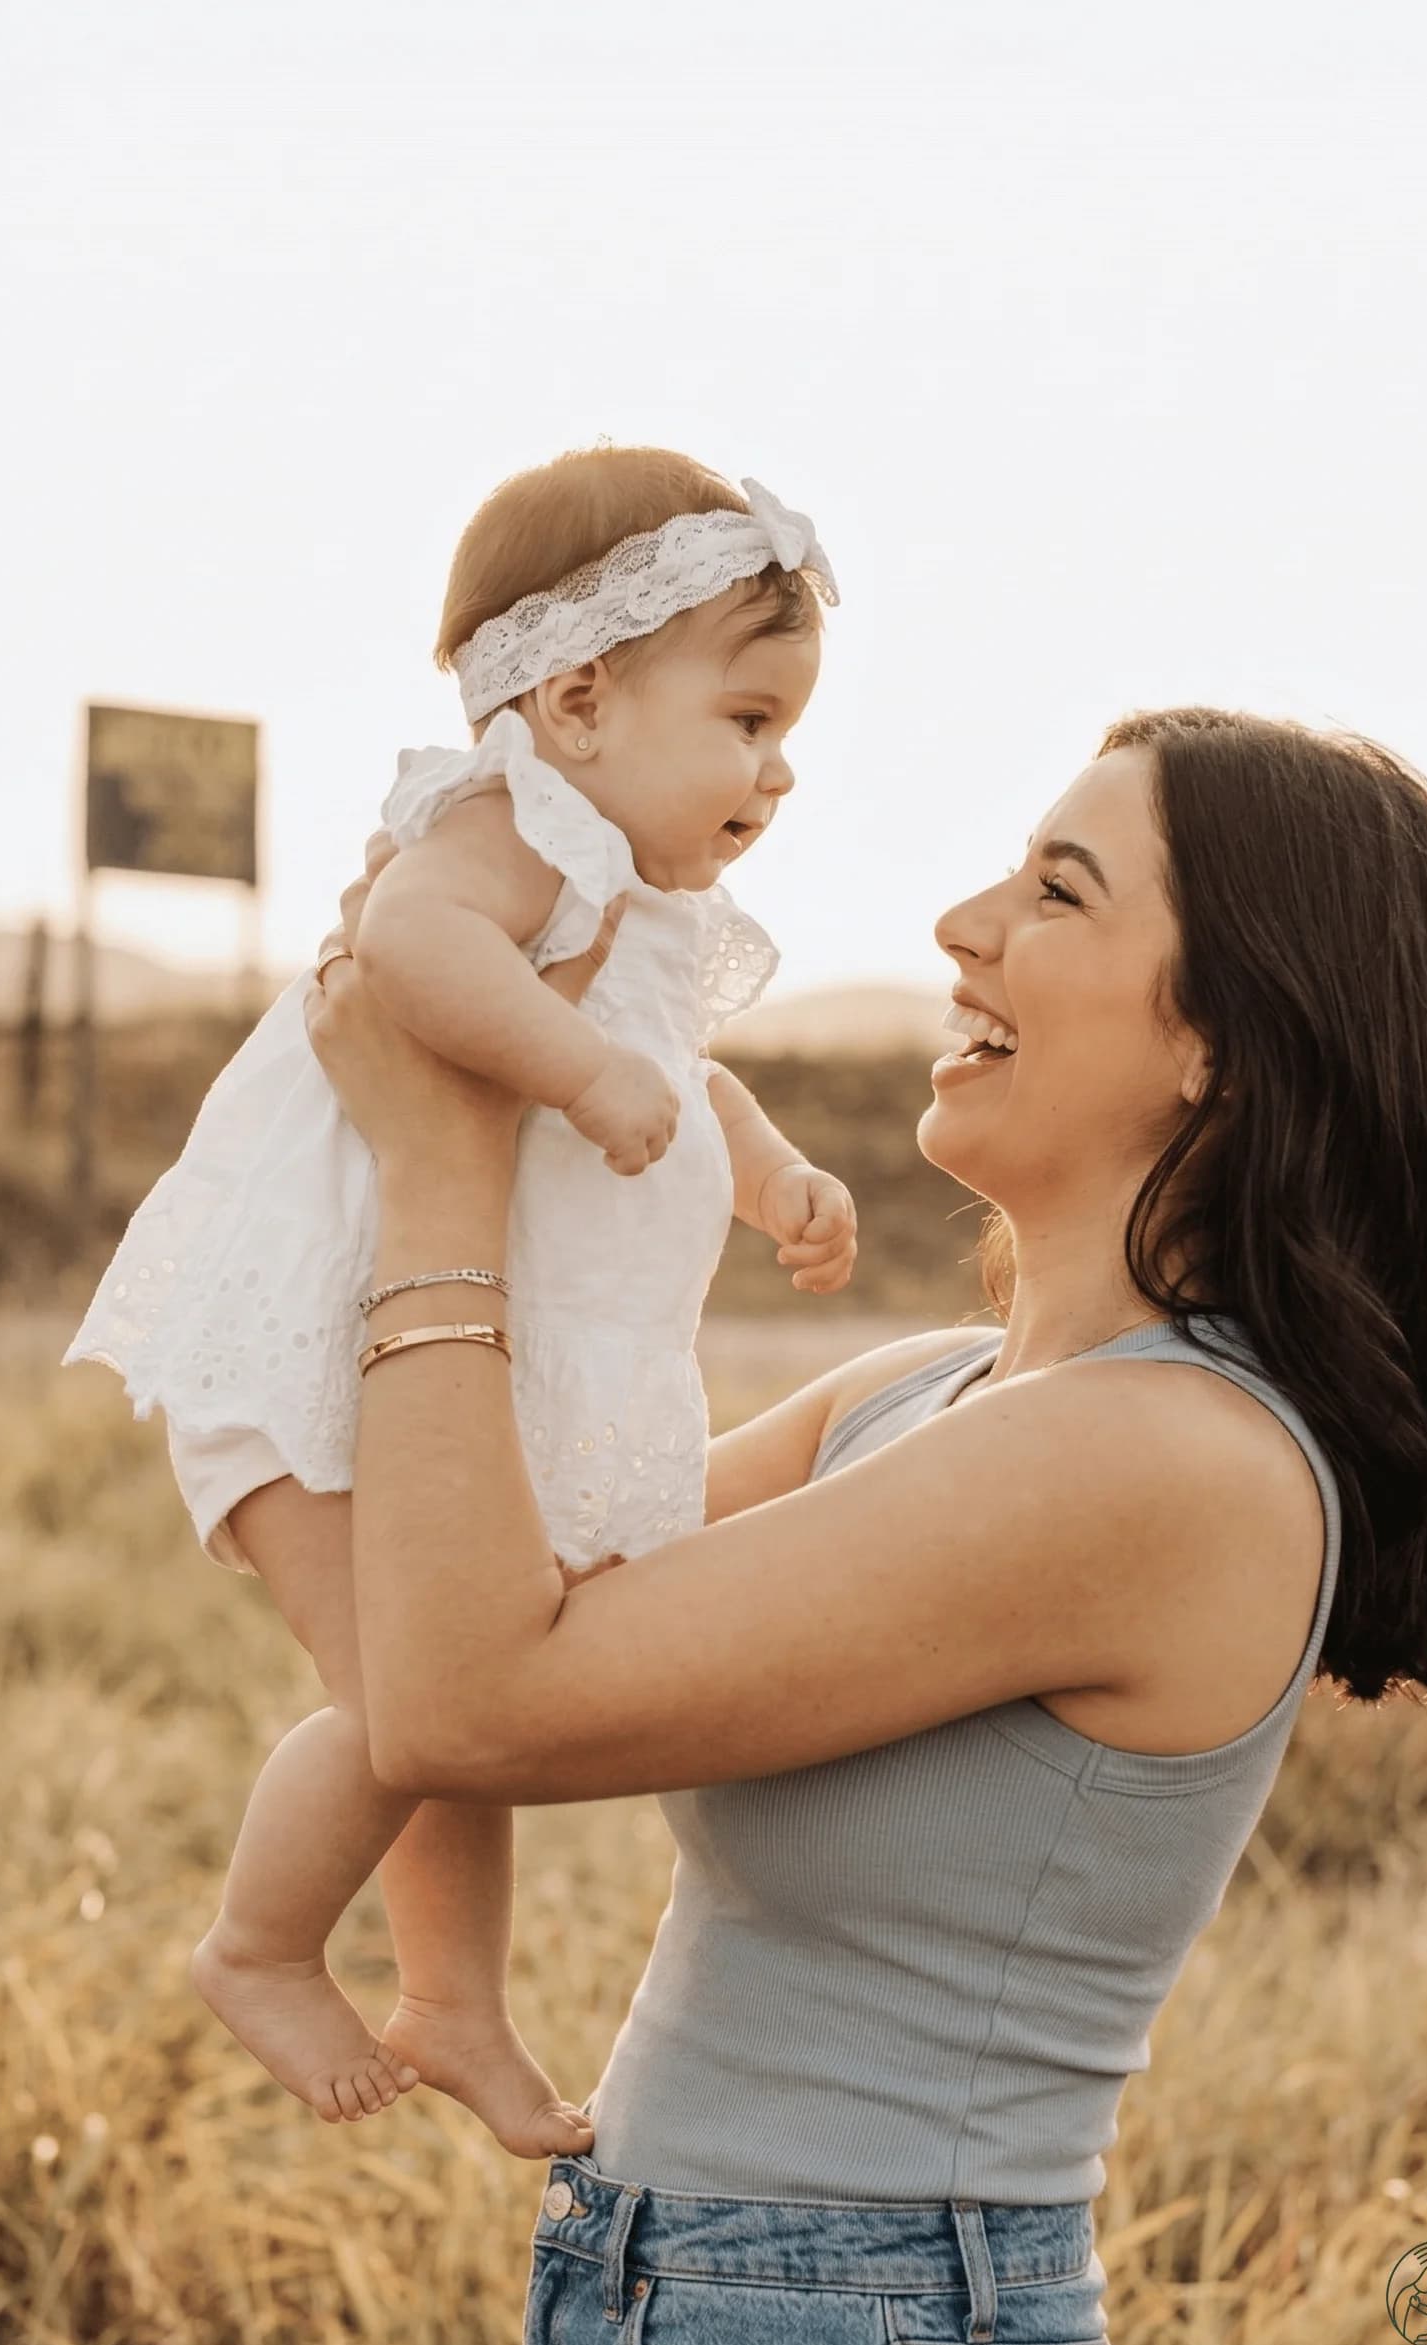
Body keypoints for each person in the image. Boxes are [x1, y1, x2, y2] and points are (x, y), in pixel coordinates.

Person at [303, 707, 1427, 2345]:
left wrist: (445, 1165)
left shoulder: (1163, 1458)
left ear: (1221, 1039)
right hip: (728, 2339)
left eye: (1056, 890)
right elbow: (419, 1605)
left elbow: (464, 1705)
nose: (963, 924)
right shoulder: (919, 1395)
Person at [62, 448, 855, 2155]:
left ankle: (451, 2006)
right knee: (409, 1704)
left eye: (787, 733)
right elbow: (414, 952)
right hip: (309, 1345)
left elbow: (674, 1073)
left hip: (408, 1362)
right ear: (575, 701)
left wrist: (771, 1161)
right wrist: (569, 1070)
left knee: (453, 1710)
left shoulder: (624, 890)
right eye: (747, 720)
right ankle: (261, 1946)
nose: (777, 773)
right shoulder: (507, 829)